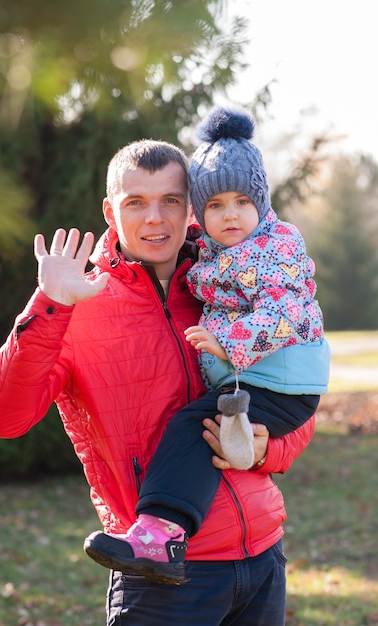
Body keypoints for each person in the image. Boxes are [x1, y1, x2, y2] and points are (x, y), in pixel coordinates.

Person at [0, 133, 316, 626]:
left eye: (171, 201)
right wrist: (49, 305)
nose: (155, 218)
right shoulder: (73, 305)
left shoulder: (231, 285)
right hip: (160, 578)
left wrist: (269, 450)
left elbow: (294, 389)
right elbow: (2, 419)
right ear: (111, 213)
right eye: (136, 202)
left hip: (261, 558)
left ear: (192, 211)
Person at [83, 107, 330, 586]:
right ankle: (162, 534)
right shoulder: (217, 254)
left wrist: (225, 344)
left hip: (280, 382)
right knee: (200, 431)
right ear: (201, 211)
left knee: (192, 426)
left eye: (242, 201)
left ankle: (159, 534)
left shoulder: (275, 248)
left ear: (262, 203)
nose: (230, 214)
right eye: (216, 205)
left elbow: (287, 314)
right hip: (265, 381)